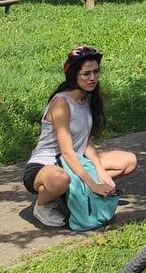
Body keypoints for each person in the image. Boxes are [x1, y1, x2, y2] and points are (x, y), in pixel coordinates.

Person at [23, 46, 138, 229]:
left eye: (96, 72)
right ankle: (43, 204)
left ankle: (75, 194)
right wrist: (93, 184)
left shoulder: (87, 98)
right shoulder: (61, 103)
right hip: (47, 165)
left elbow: (86, 142)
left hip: (77, 161)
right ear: (73, 76)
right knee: (60, 179)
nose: (92, 78)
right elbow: (67, 152)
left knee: (129, 161)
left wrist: (100, 172)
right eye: (86, 74)